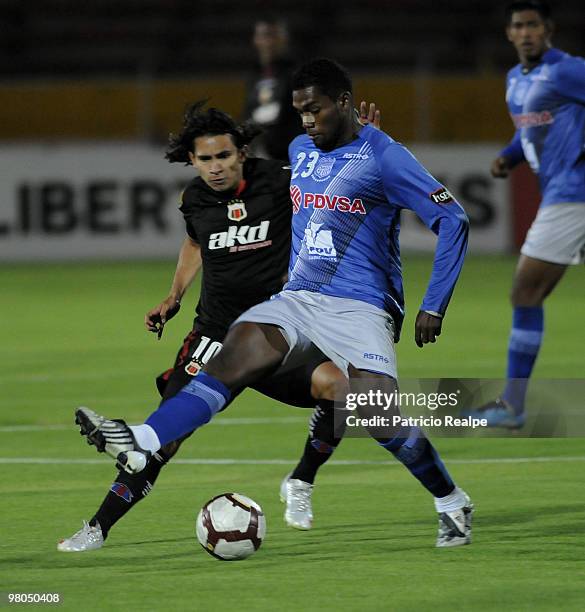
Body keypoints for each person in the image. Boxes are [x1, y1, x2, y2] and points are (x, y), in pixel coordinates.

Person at [75, 58, 473, 548]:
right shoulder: (300, 148)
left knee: (376, 416)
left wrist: (435, 304)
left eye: (316, 110)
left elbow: (453, 220)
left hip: (361, 306)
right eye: (300, 111)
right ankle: (146, 437)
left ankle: (451, 500)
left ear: (343, 104)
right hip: (298, 298)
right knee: (237, 351)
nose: (306, 121)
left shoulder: (387, 157)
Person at [58, 101, 372, 552]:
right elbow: (193, 243)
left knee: (342, 389)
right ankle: (98, 528)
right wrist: (174, 295)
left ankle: (301, 480)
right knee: (164, 439)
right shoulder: (194, 200)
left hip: (276, 331)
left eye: (224, 156)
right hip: (215, 335)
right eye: (205, 159)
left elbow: (332, 186)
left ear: (241, 152)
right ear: (191, 160)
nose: (216, 167)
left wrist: (362, 143)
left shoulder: (281, 181)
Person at [463, 1, 585, 428]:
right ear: (509, 34)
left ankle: (513, 407)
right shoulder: (515, 79)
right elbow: (531, 129)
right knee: (528, 294)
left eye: (534, 25)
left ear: (547, 30)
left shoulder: (568, 70)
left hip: (573, 195)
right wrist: (509, 157)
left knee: (525, 293)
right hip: (564, 195)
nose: (527, 32)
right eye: (519, 26)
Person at [242, 18, 302, 159]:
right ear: (255, 40)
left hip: (290, 157)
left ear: (284, 39)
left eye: (274, 36)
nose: (269, 42)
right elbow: (251, 113)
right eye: (264, 35)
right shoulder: (254, 76)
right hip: (263, 156)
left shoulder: (296, 73)